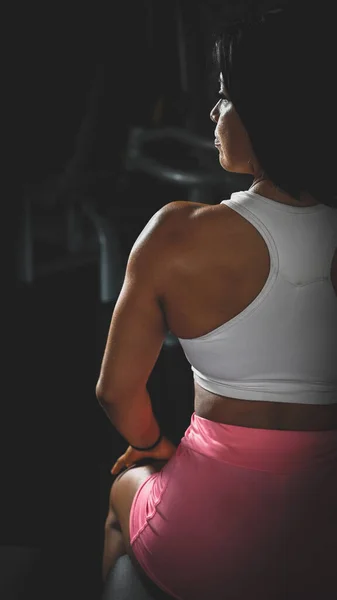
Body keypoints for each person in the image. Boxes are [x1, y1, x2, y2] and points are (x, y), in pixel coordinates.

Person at [96, 4, 337, 599]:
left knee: (122, 492)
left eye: (225, 96)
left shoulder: (176, 234)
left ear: (265, 113)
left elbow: (115, 393)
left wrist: (153, 448)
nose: (214, 111)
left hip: (202, 538)